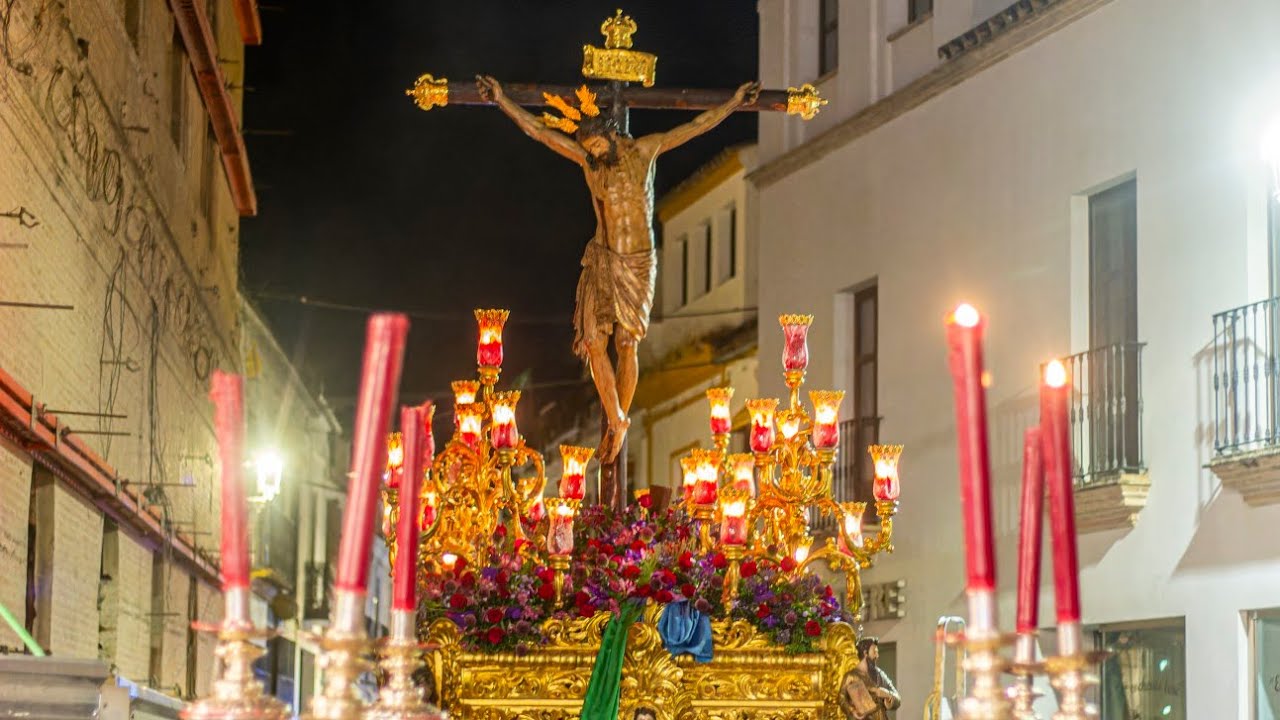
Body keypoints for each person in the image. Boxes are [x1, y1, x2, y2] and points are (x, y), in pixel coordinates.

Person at [476, 75, 759, 465]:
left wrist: (734, 103)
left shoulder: (645, 151)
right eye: (587, 148)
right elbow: (542, 132)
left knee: (627, 344)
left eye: (595, 145)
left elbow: (695, 126)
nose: (591, 153)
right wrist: (503, 100)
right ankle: (617, 418)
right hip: (604, 258)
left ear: (612, 136)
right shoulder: (592, 167)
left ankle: (617, 420)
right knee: (593, 342)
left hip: (640, 262)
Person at [838, 637, 901, 720]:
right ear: (865, 653)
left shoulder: (880, 675)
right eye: (874, 652)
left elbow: (897, 698)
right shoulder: (851, 676)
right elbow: (841, 697)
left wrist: (887, 694)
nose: (877, 656)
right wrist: (852, 710)